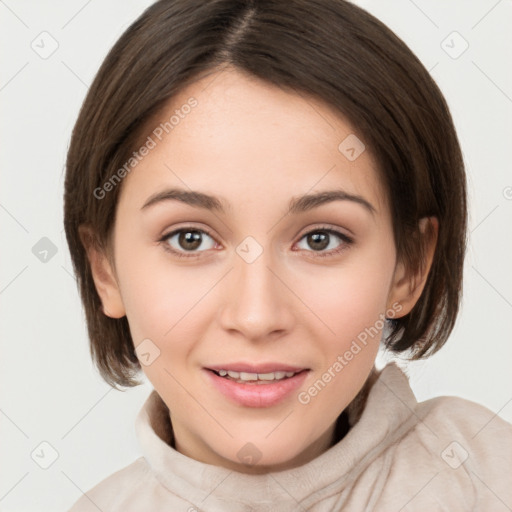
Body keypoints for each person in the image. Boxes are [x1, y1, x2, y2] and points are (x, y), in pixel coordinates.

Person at [63, 0, 512, 510]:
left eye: (321, 239)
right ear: (105, 269)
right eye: (190, 239)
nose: (256, 317)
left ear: (409, 266)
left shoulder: (489, 480)